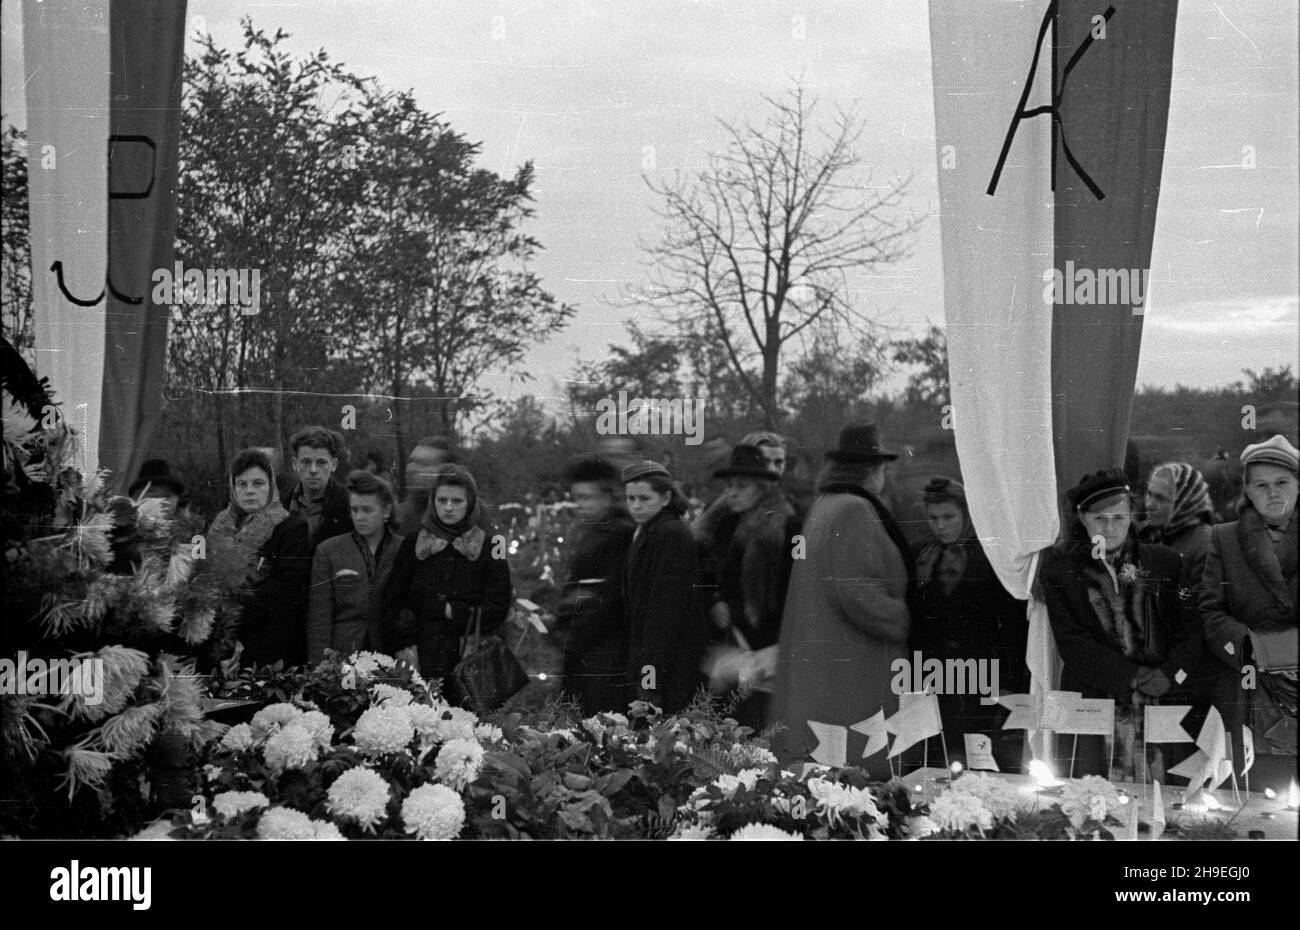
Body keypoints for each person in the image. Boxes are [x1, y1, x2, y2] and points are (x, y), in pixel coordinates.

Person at [1040, 469, 1204, 781]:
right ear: (1083, 519)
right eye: (1100, 519)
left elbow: (1190, 626)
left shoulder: (1167, 563)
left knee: (1165, 796)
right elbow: (1073, 643)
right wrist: (1131, 676)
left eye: (1119, 517)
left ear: (1131, 515)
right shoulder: (1061, 573)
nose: (1110, 528)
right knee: (1091, 798)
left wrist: (1170, 674)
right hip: (1093, 700)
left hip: (1161, 698)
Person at [771, 425, 913, 779]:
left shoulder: (825, 506)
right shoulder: (854, 510)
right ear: (872, 471)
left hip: (825, 664)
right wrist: (905, 617)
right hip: (852, 671)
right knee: (855, 776)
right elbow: (856, 591)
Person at [909, 476, 1028, 771]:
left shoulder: (989, 554)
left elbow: (1011, 620)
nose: (941, 525)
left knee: (979, 749)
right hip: (933, 667)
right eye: (933, 518)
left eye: (949, 516)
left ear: (967, 513)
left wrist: (1008, 680)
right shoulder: (923, 553)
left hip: (981, 668)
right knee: (940, 749)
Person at [1200, 435, 1298, 784]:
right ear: (1248, 491)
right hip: (1247, 683)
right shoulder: (1224, 538)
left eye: (1282, 482)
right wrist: (1253, 647)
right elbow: (1210, 613)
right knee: (1254, 789)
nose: (1273, 493)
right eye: (1261, 485)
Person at [696, 443, 799, 728]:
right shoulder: (724, 524)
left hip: (767, 645)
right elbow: (711, 575)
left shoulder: (786, 527)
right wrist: (716, 601)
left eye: (741, 486)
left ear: (763, 487)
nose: (731, 492)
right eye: (729, 486)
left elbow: (789, 591)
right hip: (732, 640)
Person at [385, 464, 513, 686]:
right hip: (419, 655)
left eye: (457, 501)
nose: (449, 508)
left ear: (470, 503)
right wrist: (406, 642)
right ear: (432, 502)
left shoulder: (489, 547)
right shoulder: (414, 543)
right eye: (442, 500)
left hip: (468, 659)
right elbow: (393, 600)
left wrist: (455, 611)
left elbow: (499, 604)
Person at [209, 448, 312, 668]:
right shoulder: (219, 528)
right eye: (242, 484)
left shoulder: (290, 528)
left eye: (258, 484)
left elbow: (289, 587)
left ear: (271, 487)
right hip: (219, 639)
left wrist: (235, 608)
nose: (249, 491)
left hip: (269, 645)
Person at [622, 460, 707, 713]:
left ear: (666, 497)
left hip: (670, 659)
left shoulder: (669, 534)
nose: (635, 506)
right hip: (655, 655)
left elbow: (665, 610)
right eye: (631, 498)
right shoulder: (651, 530)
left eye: (644, 498)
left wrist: (650, 679)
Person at [555, 456, 637, 714]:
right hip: (586, 646)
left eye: (587, 498)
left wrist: (569, 631)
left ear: (608, 496)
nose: (579, 505)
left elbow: (608, 597)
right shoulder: (596, 530)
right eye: (576, 498)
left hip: (604, 650)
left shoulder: (619, 533)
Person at [306, 470, 405, 666]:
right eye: (354, 509)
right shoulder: (329, 551)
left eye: (367, 510)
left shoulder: (403, 549)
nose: (359, 517)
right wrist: (321, 665)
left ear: (386, 511)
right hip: (344, 654)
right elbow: (319, 617)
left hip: (391, 652)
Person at [1141, 462, 1216, 588]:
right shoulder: (1155, 534)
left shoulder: (1205, 544)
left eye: (1160, 498)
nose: (1149, 504)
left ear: (1184, 503)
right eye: (1149, 494)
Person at [282, 426, 352, 550]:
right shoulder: (280, 503)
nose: (313, 470)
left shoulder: (349, 505)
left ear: (333, 465)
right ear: (295, 464)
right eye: (306, 462)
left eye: (321, 462)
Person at [396, 436, 457, 537]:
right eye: (411, 461)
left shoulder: (463, 516)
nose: (410, 469)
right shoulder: (400, 513)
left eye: (423, 463)